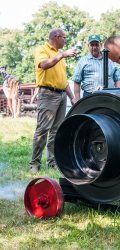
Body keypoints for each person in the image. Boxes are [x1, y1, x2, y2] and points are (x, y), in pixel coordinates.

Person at [28, 28, 77, 174]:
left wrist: (72, 96)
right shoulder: (43, 50)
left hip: (61, 95)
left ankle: (52, 161)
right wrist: (62, 55)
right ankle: (34, 163)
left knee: (56, 131)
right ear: (56, 37)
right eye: (64, 37)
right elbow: (43, 65)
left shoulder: (58, 56)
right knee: (43, 129)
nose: (65, 40)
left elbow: (63, 80)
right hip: (48, 94)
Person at [72, 34, 120, 102]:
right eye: (92, 45)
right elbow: (77, 81)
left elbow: (117, 79)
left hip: (109, 96)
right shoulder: (83, 61)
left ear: (100, 45)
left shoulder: (110, 60)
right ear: (88, 46)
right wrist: (77, 99)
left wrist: (119, 96)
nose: (94, 47)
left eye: (96, 44)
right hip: (89, 96)